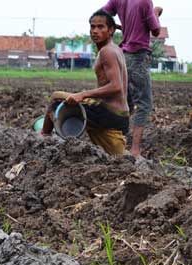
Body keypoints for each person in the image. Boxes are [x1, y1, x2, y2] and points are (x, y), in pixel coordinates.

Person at [41, 10, 130, 156]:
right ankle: (46, 136)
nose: (95, 31)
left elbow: (116, 86)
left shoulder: (107, 52)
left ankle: (44, 139)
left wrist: (83, 95)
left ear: (111, 30)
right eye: (92, 27)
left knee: (55, 104)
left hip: (109, 114)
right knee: (57, 95)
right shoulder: (115, 49)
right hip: (119, 114)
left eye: (100, 27)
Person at [102, 0, 163, 157]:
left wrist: (120, 27)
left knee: (126, 102)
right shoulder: (145, 1)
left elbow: (102, 14)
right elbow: (155, 30)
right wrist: (156, 12)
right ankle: (135, 150)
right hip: (138, 56)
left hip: (123, 56)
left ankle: (116, 143)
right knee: (144, 104)